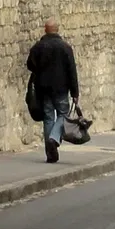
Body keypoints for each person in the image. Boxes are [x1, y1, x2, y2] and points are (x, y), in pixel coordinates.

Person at [26, 18, 79, 163]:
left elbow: (30, 65)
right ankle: (54, 139)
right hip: (61, 88)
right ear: (57, 29)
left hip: (43, 88)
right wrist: (75, 93)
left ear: (45, 30)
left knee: (48, 117)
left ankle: (50, 153)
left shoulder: (38, 47)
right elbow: (71, 71)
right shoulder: (65, 48)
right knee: (63, 113)